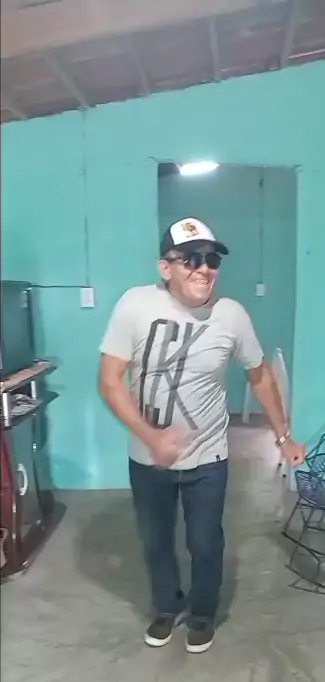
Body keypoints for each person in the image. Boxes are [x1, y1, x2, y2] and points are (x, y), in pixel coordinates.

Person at [98, 217, 305, 654]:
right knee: (155, 542)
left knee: (206, 543)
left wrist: (283, 436)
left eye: (212, 259)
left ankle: (202, 614)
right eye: (191, 258)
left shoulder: (231, 316)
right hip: (147, 460)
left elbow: (260, 376)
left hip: (208, 459)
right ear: (165, 267)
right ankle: (166, 606)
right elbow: (109, 381)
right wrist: (151, 438)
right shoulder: (135, 305)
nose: (204, 268)